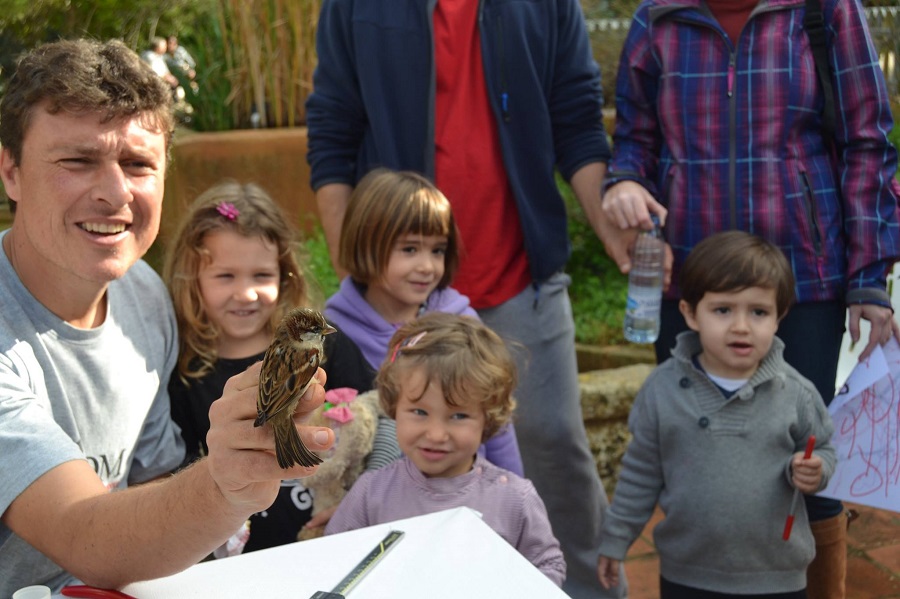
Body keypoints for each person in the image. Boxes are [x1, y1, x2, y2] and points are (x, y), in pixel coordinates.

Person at [306, 3, 627, 596]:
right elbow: (333, 123)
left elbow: (578, 114)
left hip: (518, 270)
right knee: (390, 458)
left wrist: (609, 227)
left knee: (555, 446)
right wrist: (358, 262)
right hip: (393, 286)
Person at [0, 38, 333, 596]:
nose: (113, 193)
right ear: (10, 171)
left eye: (137, 164)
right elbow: (83, 534)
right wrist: (226, 482)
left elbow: (151, 477)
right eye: (77, 161)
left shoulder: (142, 294)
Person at [599, 2, 900, 596]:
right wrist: (626, 180)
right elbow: (636, 139)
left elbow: (868, 142)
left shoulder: (825, 11)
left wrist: (869, 274)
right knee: (696, 458)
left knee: (806, 458)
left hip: (803, 287)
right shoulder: (657, 17)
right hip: (693, 287)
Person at [597, 231, 838, 598]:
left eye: (758, 312)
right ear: (691, 313)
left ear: (779, 317)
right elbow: (640, 472)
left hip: (776, 575)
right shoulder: (661, 391)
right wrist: (615, 539)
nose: (741, 326)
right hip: (686, 573)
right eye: (723, 310)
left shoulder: (798, 393)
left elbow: (824, 450)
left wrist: (816, 468)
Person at [163, 179, 387, 552]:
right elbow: (181, 477)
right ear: (192, 279)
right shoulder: (185, 373)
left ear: (286, 277)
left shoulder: (329, 348)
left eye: (261, 275)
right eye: (225, 276)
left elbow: (384, 418)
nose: (246, 293)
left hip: (334, 543)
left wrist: (365, 496)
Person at [326, 312, 566, 587]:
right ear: (393, 406)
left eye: (458, 416)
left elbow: (548, 564)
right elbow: (335, 562)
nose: (436, 434)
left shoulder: (514, 499)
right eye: (419, 411)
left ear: (488, 418)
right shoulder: (371, 493)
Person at [323, 168, 523, 475]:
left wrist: (510, 487)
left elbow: (498, 425)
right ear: (365, 244)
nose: (427, 266)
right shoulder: (334, 335)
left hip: (465, 495)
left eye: (438, 250)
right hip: (375, 505)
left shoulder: (463, 324)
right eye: (410, 249)